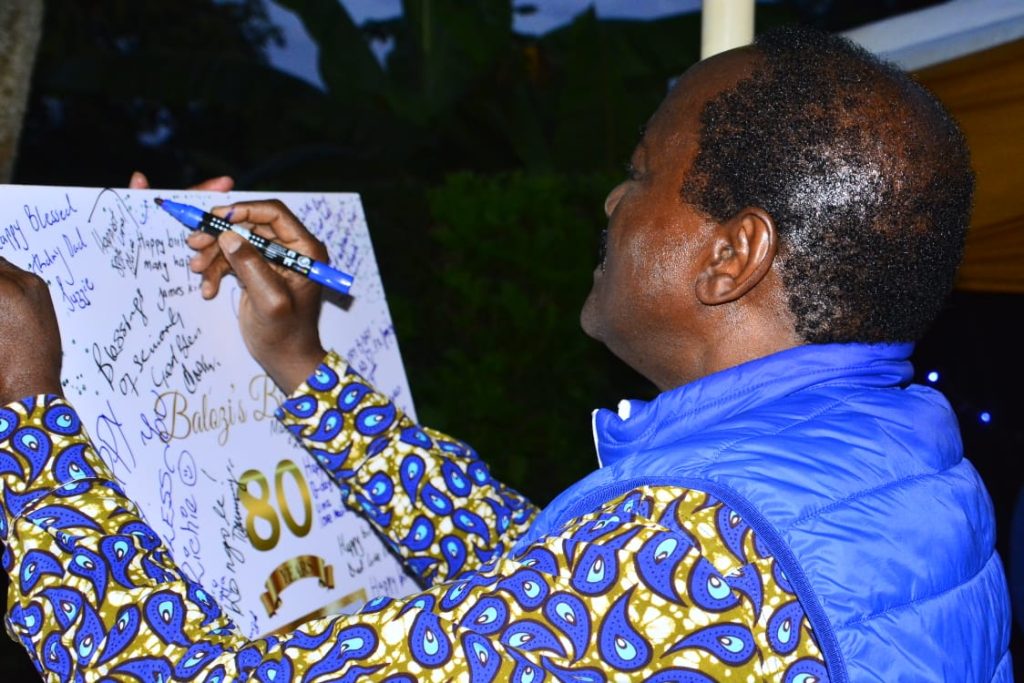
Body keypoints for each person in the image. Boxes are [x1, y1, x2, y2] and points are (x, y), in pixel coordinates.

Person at [0, 25, 1012, 682]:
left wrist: (28, 410)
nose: (614, 201)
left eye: (642, 170)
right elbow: (532, 573)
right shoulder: (889, 453)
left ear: (731, 252)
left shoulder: (699, 554)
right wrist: (306, 367)